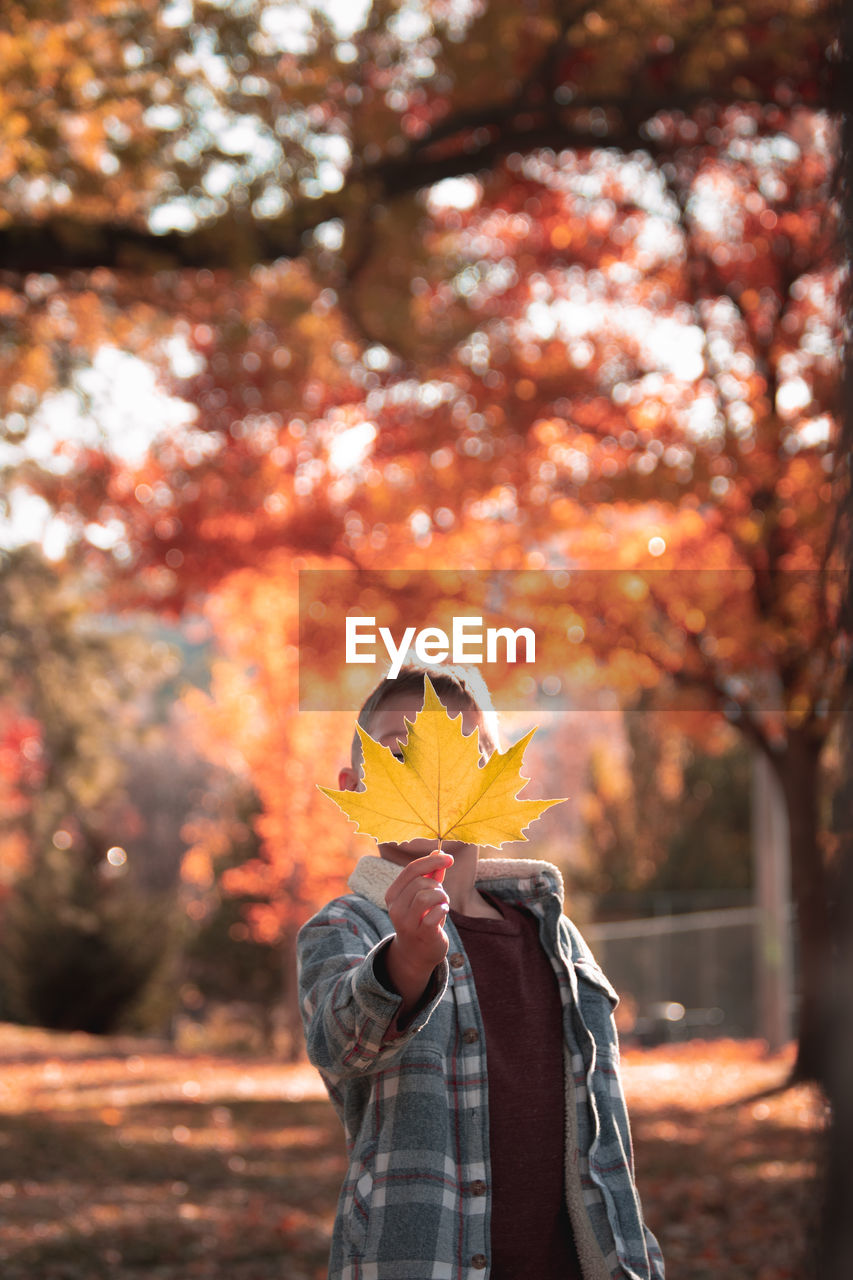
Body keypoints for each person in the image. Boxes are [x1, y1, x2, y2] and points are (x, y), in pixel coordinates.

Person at [297, 664, 664, 1280]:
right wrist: (406, 961)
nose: (429, 770)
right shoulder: (348, 928)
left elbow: (608, 1141)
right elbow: (338, 1041)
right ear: (355, 786)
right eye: (395, 751)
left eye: (471, 753)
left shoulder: (555, 936)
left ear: (501, 781)